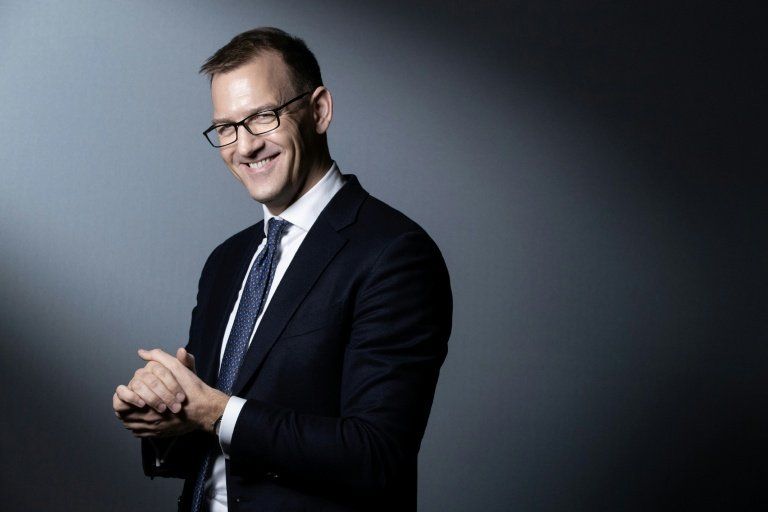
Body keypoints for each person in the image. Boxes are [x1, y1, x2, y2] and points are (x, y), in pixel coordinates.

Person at [112, 27, 452, 512]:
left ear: (319, 111)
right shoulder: (226, 261)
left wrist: (214, 411)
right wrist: (166, 416)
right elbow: (214, 444)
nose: (244, 146)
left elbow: (377, 456)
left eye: (262, 117)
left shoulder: (394, 253)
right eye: (226, 128)